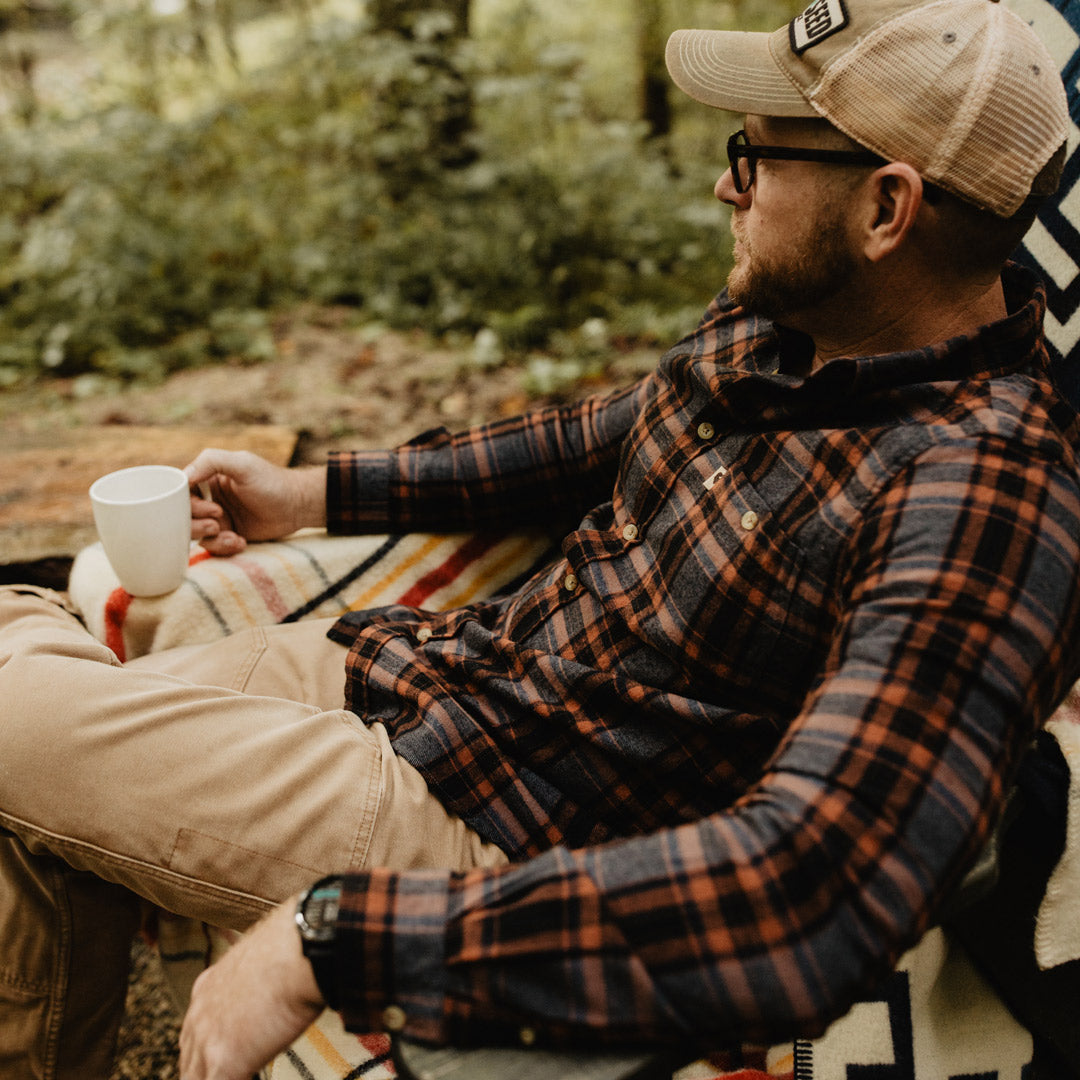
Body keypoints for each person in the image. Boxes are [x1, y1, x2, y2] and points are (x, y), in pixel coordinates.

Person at [0, 0, 1075, 1077]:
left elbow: (814, 889)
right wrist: (308, 493)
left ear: (887, 209)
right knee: (31, 788)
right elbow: (590, 436)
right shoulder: (789, 323)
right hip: (432, 673)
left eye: (753, 156)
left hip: (493, 826)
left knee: (11, 695)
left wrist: (341, 939)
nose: (724, 186)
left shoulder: (980, 494)